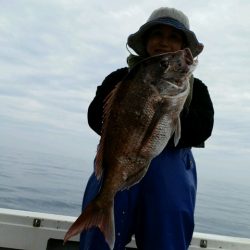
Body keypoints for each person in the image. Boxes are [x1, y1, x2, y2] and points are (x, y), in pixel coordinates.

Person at [80, 7, 214, 250]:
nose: (164, 41)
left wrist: (169, 106)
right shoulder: (121, 78)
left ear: (184, 46)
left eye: (174, 37)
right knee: (97, 243)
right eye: (157, 34)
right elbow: (94, 117)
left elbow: (203, 128)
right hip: (117, 165)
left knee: (166, 241)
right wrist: (131, 119)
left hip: (170, 177)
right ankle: (101, 211)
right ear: (145, 41)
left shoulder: (197, 88)